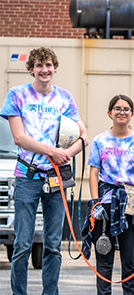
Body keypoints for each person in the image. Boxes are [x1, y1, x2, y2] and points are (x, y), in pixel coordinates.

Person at [1, 46, 89, 295]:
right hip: (27, 177)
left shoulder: (64, 98)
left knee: (52, 244)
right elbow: (19, 138)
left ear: (55, 68)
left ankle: (50, 293)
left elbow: (84, 137)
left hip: (56, 177)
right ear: (31, 69)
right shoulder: (17, 95)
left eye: (49, 64)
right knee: (22, 244)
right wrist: (53, 151)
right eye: (39, 65)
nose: (44, 69)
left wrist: (66, 155)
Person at [88, 94, 134, 295]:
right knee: (104, 255)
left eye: (126, 109)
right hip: (107, 203)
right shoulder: (100, 140)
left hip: (131, 204)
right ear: (110, 113)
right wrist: (94, 203)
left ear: (132, 114)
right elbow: (93, 173)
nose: (122, 112)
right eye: (117, 108)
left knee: (129, 259)